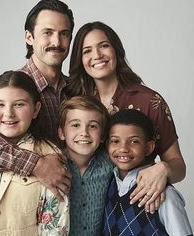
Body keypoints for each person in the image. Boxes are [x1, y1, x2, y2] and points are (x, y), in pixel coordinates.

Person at [0, 0, 74, 200]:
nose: (56, 41)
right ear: (29, 37)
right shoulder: (11, 87)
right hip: (19, 209)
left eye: (64, 34)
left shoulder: (75, 88)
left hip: (66, 205)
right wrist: (35, 165)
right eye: (47, 32)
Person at [66, 21, 186, 211]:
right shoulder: (78, 103)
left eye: (104, 46)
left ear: (116, 50)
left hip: (140, 204)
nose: (96, 55)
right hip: (90, 207)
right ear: (79, 60)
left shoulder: (149, 101)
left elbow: (179, 166)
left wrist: (164, 168)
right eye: (87, 50)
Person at [0, 70, 70, 235]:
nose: (9, 113)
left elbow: (55, 228)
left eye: (19, 104)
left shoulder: (50, 159)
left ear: (36, 109)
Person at [103, 109, 193, 236]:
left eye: (134, 141)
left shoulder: (164, 195)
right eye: (115, 141)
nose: (123, 148)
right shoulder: (109, 185)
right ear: (107, 145)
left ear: (149, 147)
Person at [58, 96, 114, 236]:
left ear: (102, 136)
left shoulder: (111, 164)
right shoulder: (53, 166)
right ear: (62, 133)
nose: (84, 133)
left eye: (93, 126)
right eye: (75, 125)